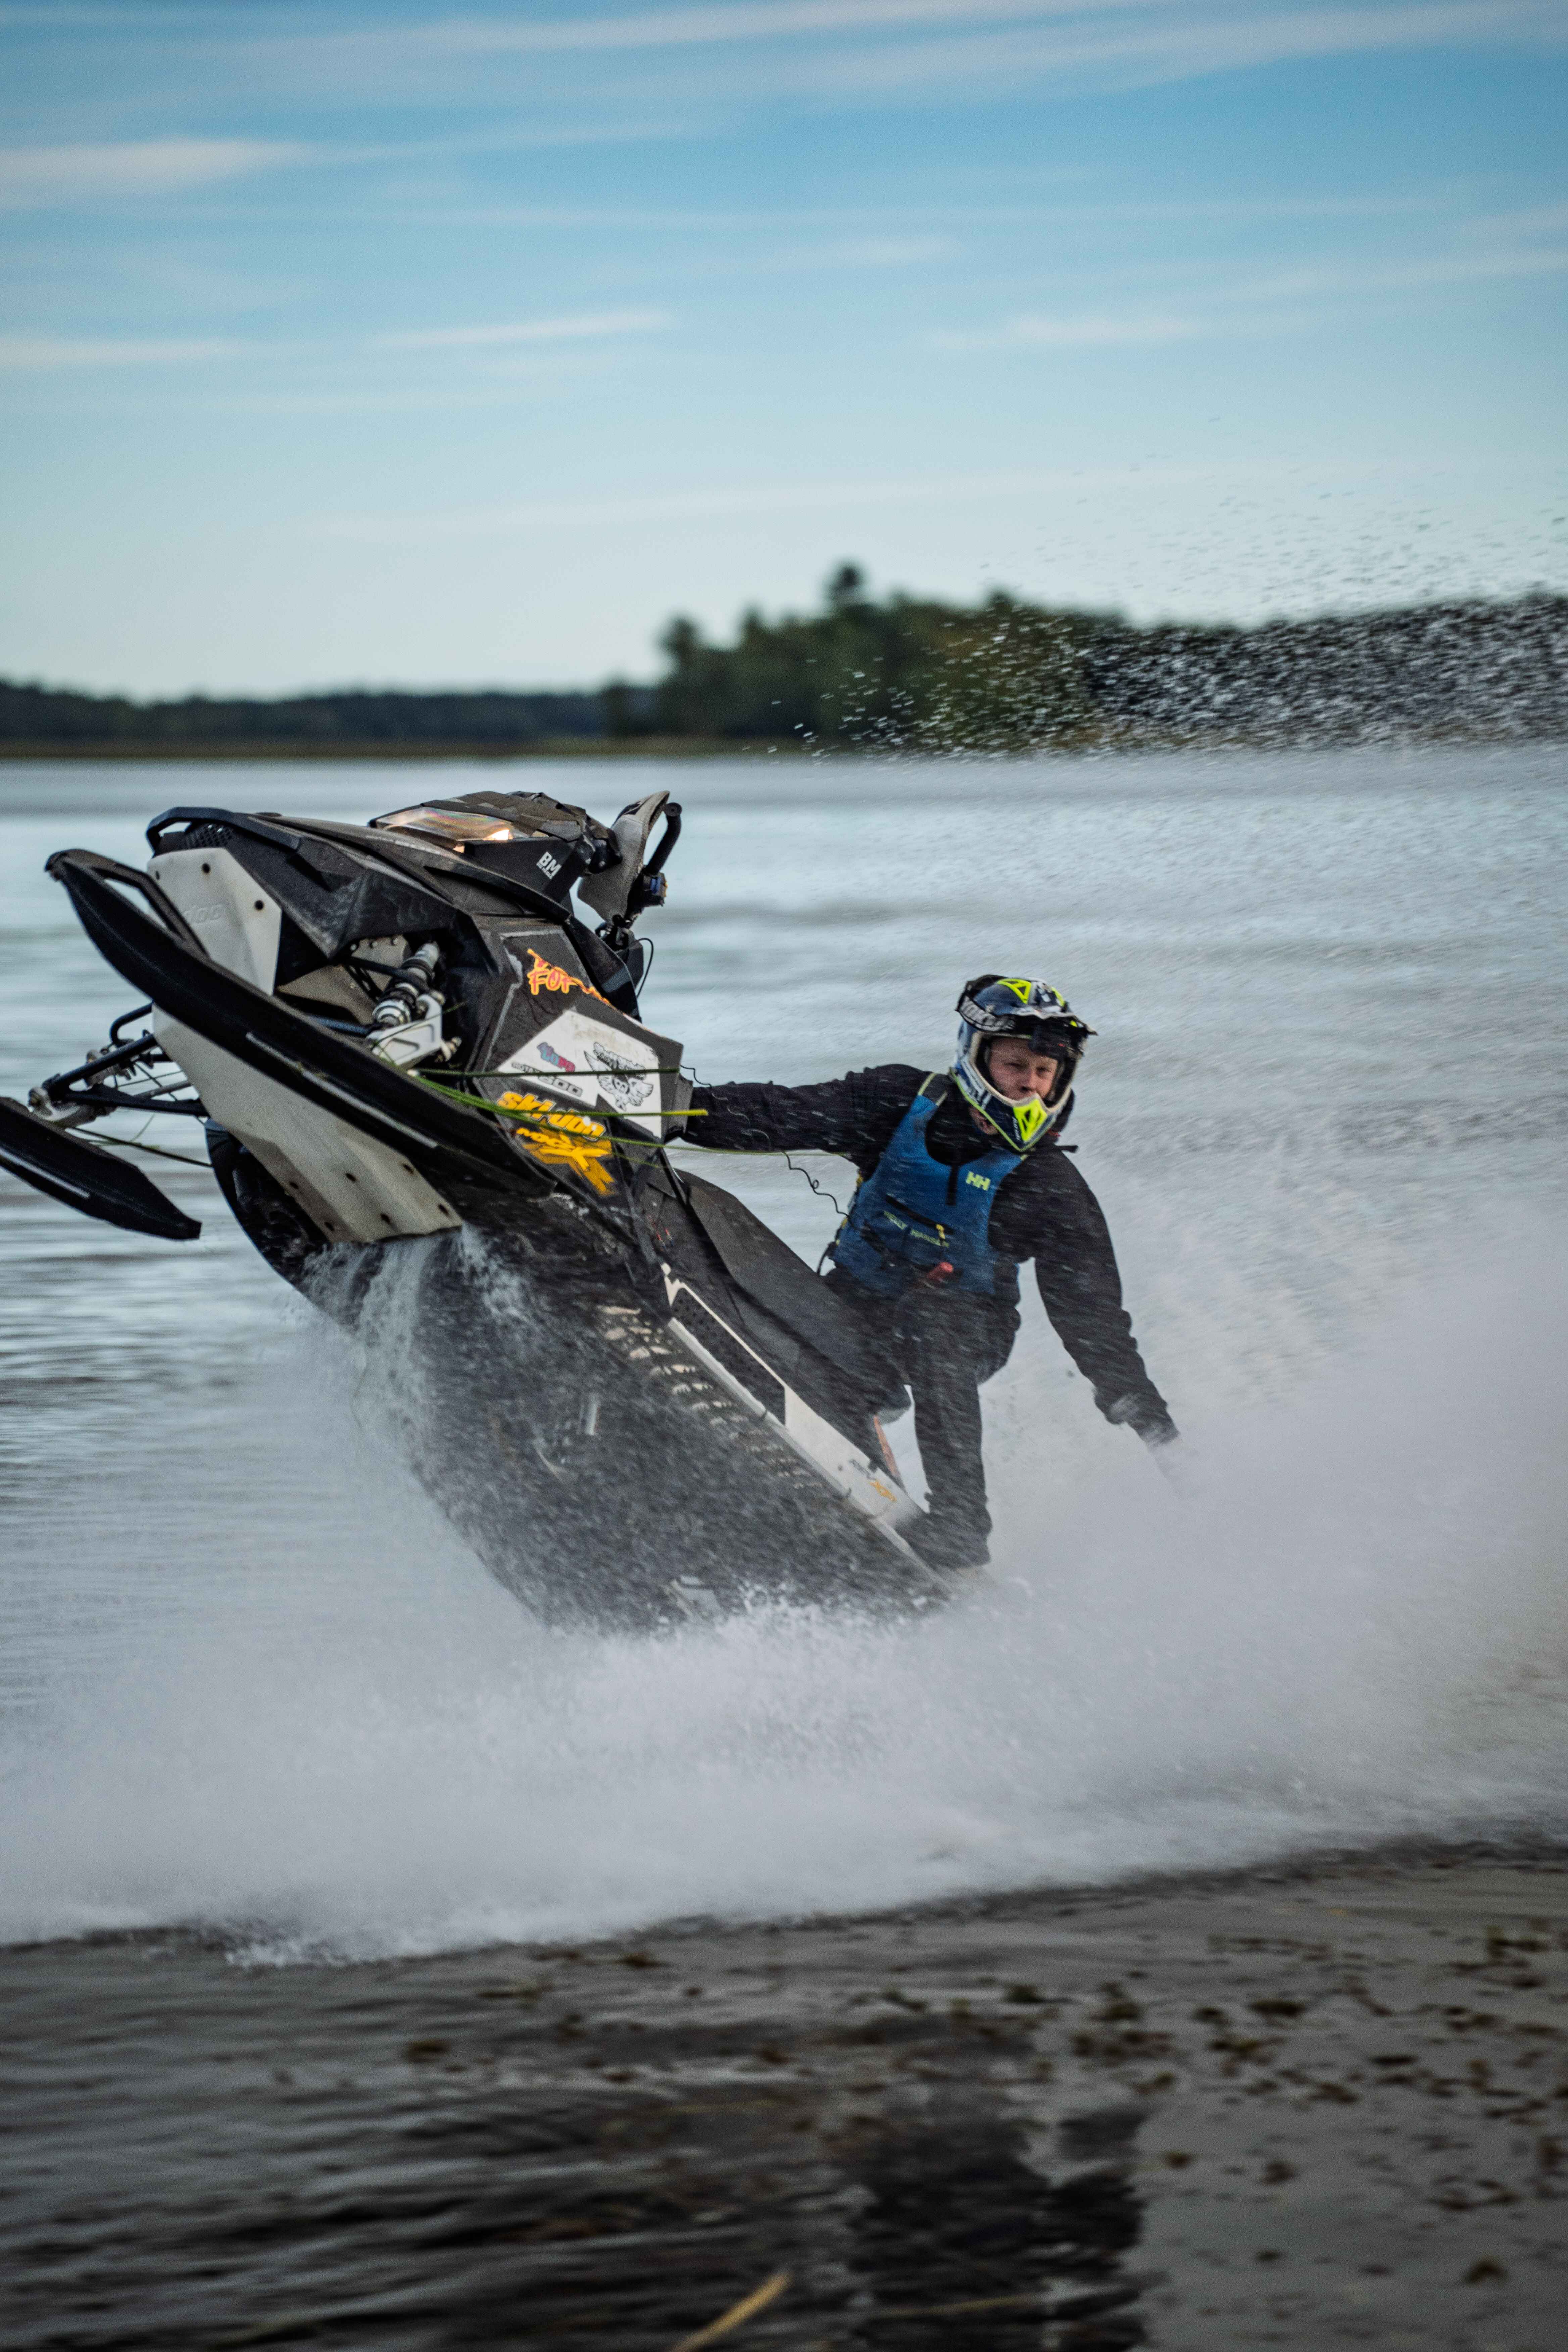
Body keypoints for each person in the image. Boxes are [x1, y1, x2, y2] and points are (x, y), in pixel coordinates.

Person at [688, 975, 1176, 1570]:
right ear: (975, 1057)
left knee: (933, 1320)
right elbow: (782, 1113)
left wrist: (1154, 1425)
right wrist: (681, 1110)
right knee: (765, 1303)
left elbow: (1092, 1318)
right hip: (854, 1306)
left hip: (967, 1328)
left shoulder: (1048, 1189)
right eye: (1015, 1064)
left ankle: (962, 1525)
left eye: (1044, 1073)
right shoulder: (895, 1103)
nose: (1029, 1084)